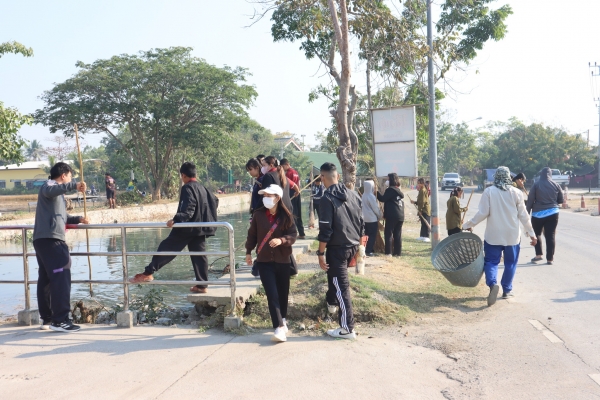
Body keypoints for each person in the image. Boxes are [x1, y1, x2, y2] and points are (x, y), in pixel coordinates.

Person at [129, 162, 219, 293]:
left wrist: (176, 219)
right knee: (199, 256)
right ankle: (202, 286)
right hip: (199, 227)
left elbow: (189, 208)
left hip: (187, 227)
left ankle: (148, 273)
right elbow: (215, 201)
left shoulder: (187, 188)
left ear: (183, 175)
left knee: (167, 246)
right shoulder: (203, 188)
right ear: (195, 174)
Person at [463, 167, 537, 306]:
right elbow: (524, 215)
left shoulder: (489, 191)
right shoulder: (517, 192)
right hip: (512, 236)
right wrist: (532, 234)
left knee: (491, 262)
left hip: (493, 235)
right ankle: (507, 290)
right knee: (510, 263)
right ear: (509, 177)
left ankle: (492, 284)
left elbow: (482, 213)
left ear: (496, 177)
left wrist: (468, 224)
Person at [33, 162, 89, 332]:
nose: (71, 180)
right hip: (52, 240)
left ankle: (48, 319)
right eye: (70, 177)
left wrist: (78, 219)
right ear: (63, 176)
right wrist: (74, 186)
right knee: (61, 279)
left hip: (44, 240)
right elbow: (50, 190)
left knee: (46, 280)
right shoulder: (49, 186)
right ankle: (61, 320)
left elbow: (62, 217)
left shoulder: (57, 194)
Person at [317, 162, 363, 340]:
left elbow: (325, 230)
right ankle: (332, 303)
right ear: (337, 176)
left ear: (322, 177)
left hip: (337, 249)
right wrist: (360, 246)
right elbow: (362, 223)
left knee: (341, 286)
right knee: (335, 280)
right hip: (353, 245)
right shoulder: (353, 194)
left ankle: (347, 328)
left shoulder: (326, 198)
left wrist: (320, 254)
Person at [245, 184, 297, 342]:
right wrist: (248, 252)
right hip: (264, 261)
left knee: (282, 293)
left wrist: (282, 240)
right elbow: (252, 234)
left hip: (283, 260)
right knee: (272, 294)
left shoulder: (286, 216)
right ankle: (279, 327)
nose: (266, 198)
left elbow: (293, 235)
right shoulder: (258, 214)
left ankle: (283, 319)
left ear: (277, 198)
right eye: (264, 195)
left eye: (269, 195)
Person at [527, 167, 564, 265]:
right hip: (553, 213)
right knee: (550, 235)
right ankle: (550, 259)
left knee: (536, 234)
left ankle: (538, 255)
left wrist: (526, 213)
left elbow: (530, 201)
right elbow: (561, 200)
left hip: (537, 214)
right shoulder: (556, 185)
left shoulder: (536, 185)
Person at [377, 173, 405, 257]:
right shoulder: (398, 190)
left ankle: (388, 253)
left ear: (391, 180)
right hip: (400, 216)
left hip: (393, 215)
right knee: (397, 235)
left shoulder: (390, 190)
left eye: (388, 179)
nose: (387, 181)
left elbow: (382, 199)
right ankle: (397, 253)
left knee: (388, 234)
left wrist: (376, 192)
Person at [280, 159, 306, 239]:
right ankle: (301, 233)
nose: (282, 168)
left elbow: (286, 184)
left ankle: (293, 233)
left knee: (292, 213)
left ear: (287, 164)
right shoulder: (295, 172)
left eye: (283, 166)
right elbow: (298, 183)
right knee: (298, 213)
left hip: (291, 193)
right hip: (297, 192)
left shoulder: (288, 173)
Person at [362, 180, 382, 256]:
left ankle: (365, 249)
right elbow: (375, 208)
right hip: (372, 219)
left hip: (364, 218)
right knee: (372, 235)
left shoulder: (363, 195)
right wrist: (379, 215)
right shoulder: (371, 196)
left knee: (366, 235)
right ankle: (369, 250)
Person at [412, 178, 431, 242]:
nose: (418, 184)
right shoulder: (421, 190)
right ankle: (422, 236)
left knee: (426, 223)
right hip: (422, 209)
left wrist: (420, 210)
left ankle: (427, 236)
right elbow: (419, 201)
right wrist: (414, 202)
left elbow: (422, 202)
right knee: (423, 223)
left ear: (422, 183)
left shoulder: (423, 190)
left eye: (419, 183)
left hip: (425, 210)